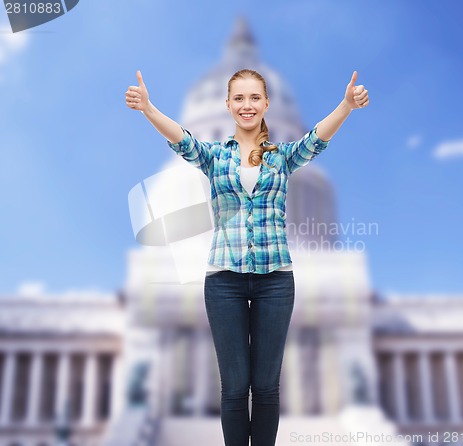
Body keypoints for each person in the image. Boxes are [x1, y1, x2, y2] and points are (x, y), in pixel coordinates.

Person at [125, 68, 369, 446]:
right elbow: (182, 141)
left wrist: (346, 106)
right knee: (235, 387)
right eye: (239, 98)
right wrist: (148, 109)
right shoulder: (213, 158)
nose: (247, 105)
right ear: (228, 106)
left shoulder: (283, 157)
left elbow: (315, 140)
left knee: (267, 386)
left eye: (255, 97)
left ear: (267, 104)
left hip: (275, 275)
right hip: (224, 277)